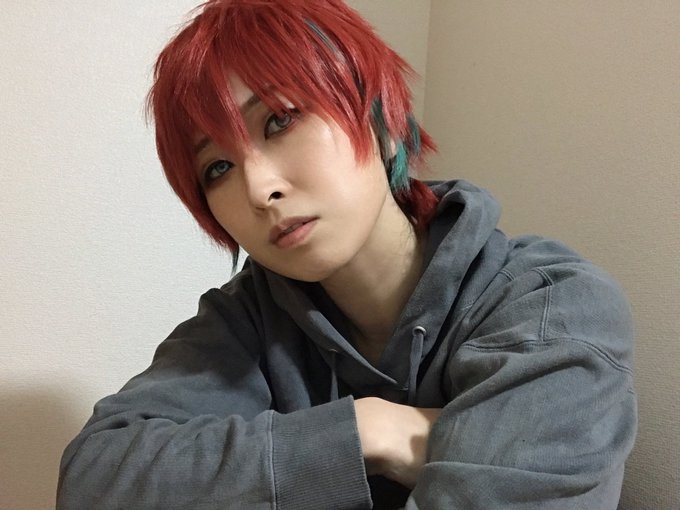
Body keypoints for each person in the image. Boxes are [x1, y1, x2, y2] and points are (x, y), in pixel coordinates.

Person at [56, 0, 637, 508]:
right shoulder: (248, 318)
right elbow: (95, 479)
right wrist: (368, 431)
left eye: (280, 120)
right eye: (218, 167)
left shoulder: (551, 309)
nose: (258, 190)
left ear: (381, 121)